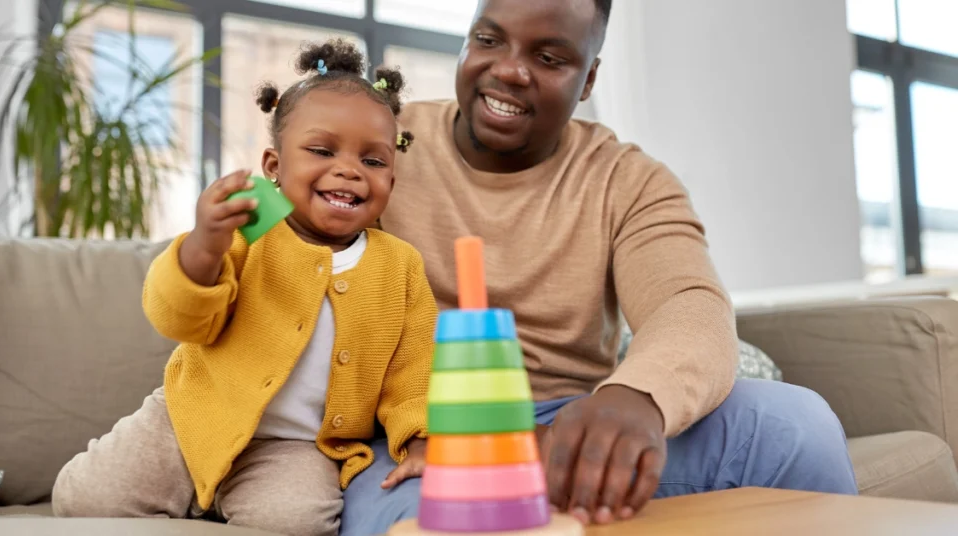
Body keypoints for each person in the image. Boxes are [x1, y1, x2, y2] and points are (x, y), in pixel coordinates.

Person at [338, 0, 859, 534]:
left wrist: (637, 396)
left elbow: (688, 302)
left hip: (571, 430)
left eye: (548, 57)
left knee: (796, 426)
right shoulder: (378, 144)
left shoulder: (627, 180)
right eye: (489, 40)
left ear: (588, 79)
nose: (510, 70)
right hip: (416, 437)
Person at [51, 39, 435, 535]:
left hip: (294, 447)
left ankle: (217, 501)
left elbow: (414, 371)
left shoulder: (400, 265)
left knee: (295, 522)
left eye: (374, 161)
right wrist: (204, 246)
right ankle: (200, 494)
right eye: (322, 151)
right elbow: (179, 318)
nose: (349, 170)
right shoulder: (250, 231)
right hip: (191, 418)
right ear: (274, 166)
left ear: (392, 182)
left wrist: (421, 440)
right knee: (86, 499)